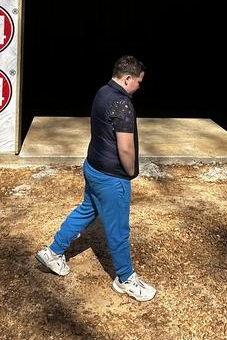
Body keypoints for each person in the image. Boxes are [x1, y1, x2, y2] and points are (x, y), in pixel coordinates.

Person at [35, 55, 156, 302]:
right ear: (128, 78)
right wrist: (130, 172)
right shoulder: (123, 104)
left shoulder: (103, 92)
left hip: (93, 167)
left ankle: (53, 252)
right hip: (112, 177)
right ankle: (125, 279)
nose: (139, 87)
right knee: (118, 230)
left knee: (86, 210)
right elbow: (125, 148)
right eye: (138, 82)